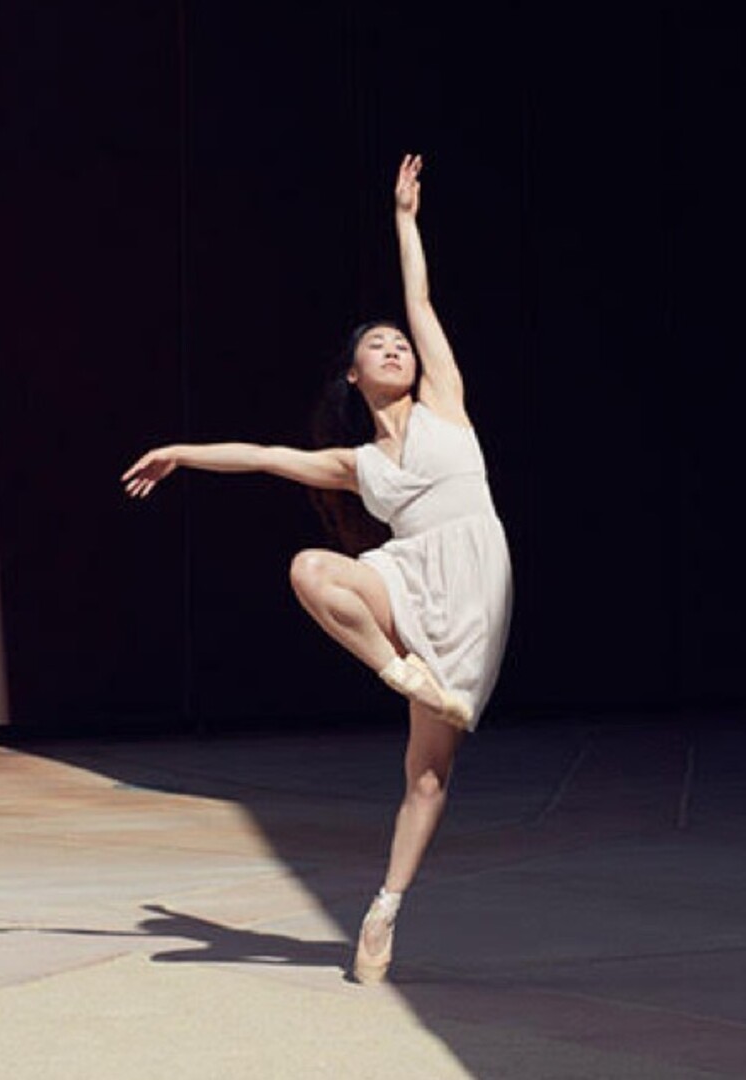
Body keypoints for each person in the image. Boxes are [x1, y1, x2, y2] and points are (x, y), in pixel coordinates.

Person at [121, 154, 514, 983]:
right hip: (406, 578)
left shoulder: (447, 401)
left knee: (429, 776)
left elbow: (421, 300)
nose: (397, 346)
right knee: (311, 568)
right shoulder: (355, 464)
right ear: (353, 373)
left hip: (472, 576)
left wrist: (405, 220)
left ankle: (385, 910)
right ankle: (397, 671)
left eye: (400, 344)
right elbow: (264, 457)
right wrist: (183, 454)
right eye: (379, 345)